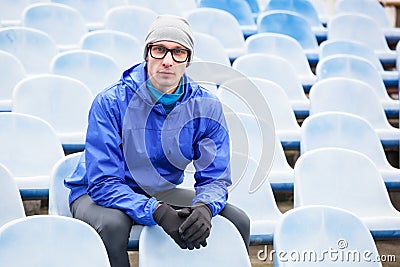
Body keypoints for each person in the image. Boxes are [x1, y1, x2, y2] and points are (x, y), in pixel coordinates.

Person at [65, 15, 250, 267]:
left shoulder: (206, 106)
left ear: (188, 60)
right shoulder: (110, 102)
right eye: (159, 49)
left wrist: (205, 206)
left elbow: (215, 177)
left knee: (237, 220)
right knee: (112, 226)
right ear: (147, 54)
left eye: (178, 52)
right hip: (97, 193)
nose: (167, 60)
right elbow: (104, 182)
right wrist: (157, 211)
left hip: (159, 191)